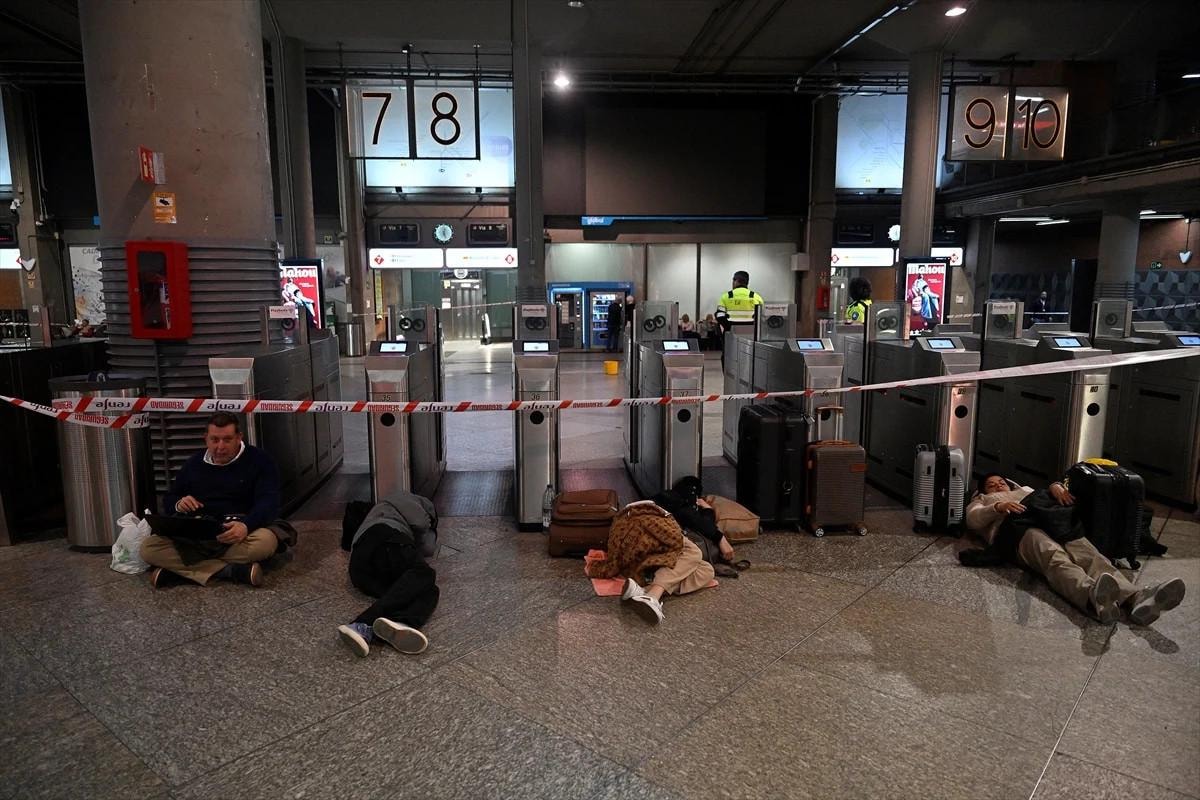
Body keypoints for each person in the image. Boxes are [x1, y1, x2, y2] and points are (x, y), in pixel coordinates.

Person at [962, 473, 1186, 624]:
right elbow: (973, 519)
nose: (998, 485)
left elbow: (1042, 496)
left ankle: (1135, 597)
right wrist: (998, 506)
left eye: (1001, 482)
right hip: (1018, 530)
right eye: (991, 485)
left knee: (1088, 553)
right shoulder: (983, 501)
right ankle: (1090, 595)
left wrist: (1056, 487)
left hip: (1052, 521)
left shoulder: (1026, 490)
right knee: (1054, 556)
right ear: (983, 491)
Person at [142, 412, 294, 588]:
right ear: (206, 439)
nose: (220, 447)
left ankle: (179, 571)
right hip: (199, 533)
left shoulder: (260, 460)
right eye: (214, 440)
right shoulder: (194, 463)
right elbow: (170, 498)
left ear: (239, 438)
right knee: (148, 548)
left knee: (265, 542)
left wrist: (246, 525)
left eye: (227, 440)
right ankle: (231, 571)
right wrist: (179, 503)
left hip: (239, 530)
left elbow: (269, 503)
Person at [336, 492, 440, 658]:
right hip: (383, 539)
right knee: (424, 573)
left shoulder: (383, 511)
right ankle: (362, 623)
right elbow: (425, 540)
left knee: (428, 590)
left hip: (361, 571)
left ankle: (398, 623)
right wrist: (430, 524)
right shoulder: (403, 498)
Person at [586, 500, 717, 625]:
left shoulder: (624, 521)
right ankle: (654, 594)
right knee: (694, 554)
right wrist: (708, 511)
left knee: (706, 569)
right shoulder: (666, 512)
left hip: (637, 562)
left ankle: (642, 591)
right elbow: (693, 526)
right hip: (647, 558)